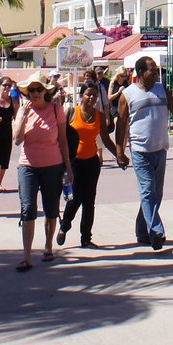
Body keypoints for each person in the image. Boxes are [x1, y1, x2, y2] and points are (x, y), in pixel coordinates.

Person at [114, 56, 173, 250]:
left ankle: (142, 231)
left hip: (160, 149)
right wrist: (119, 151)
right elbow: (122, 123)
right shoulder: (128, 94)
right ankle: (156, 231)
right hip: (140, 150)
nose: (156, 73)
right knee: (148, 190)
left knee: (155, 194)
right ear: (140, 73)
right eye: (152, 70)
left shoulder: (161, 90)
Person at [13, 78, 72, 271]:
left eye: (38, 89)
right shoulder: (24, 110)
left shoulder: (56, 109)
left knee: (51, 208)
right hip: (27, 165)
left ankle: (48, 247)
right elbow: (17, 140)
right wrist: (23, 115)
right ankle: (26, 255)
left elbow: (63, 140)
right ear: (27, 93)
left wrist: (68, 167)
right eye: (31, 90)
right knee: (28, 207)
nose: (35, 93)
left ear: (45, 91)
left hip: (53, 165)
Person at [59, 80, 108, 248]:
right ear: (82, 96)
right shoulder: (72, 112)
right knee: (75, 198)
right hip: (74, 162)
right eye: (88, 94)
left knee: (89, 201)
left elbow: (106, 138)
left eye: (94, 95)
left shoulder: (99, 116)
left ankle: (86, 238)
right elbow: (61, 136)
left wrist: (119, 154)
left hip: (92, 162)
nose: (91, 97)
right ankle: (64, 226)